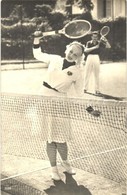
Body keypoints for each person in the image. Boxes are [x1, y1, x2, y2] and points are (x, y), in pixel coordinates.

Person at [33, 30, 85, 181]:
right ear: (67, 49)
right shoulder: (55, 59)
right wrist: (36, 39)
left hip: (60, 103)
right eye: (71, 51)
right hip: (44, 97)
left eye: (75, 54)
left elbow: (79, 94)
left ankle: (66, 164)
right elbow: (38, 54)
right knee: (50, 139)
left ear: (79, 57)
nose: (71, 55)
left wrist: (89, 108)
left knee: (61, 139)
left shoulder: (77, 72)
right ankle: (53, 169)